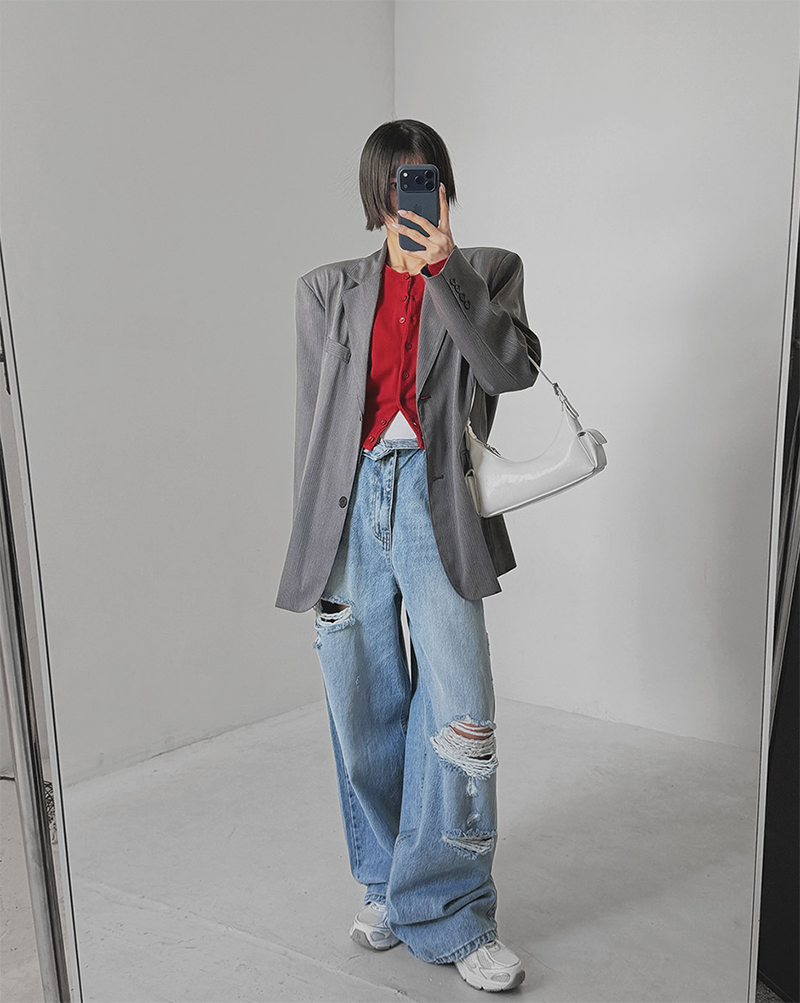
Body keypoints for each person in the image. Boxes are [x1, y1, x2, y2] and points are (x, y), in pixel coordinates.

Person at [275, 119, 541, 992]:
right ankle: (393, 882)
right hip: (350, 507)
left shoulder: (487, 270)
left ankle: (456, 909)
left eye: (423, 181)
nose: (409, 199)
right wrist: (311, 537)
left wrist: (445, 271)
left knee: (459, 709)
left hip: (436, 503)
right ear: (374, 194)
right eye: (395, 184)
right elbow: (314, 426)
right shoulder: (327, 290)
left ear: (443, 187)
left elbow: (509, 372)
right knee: (363, 711)